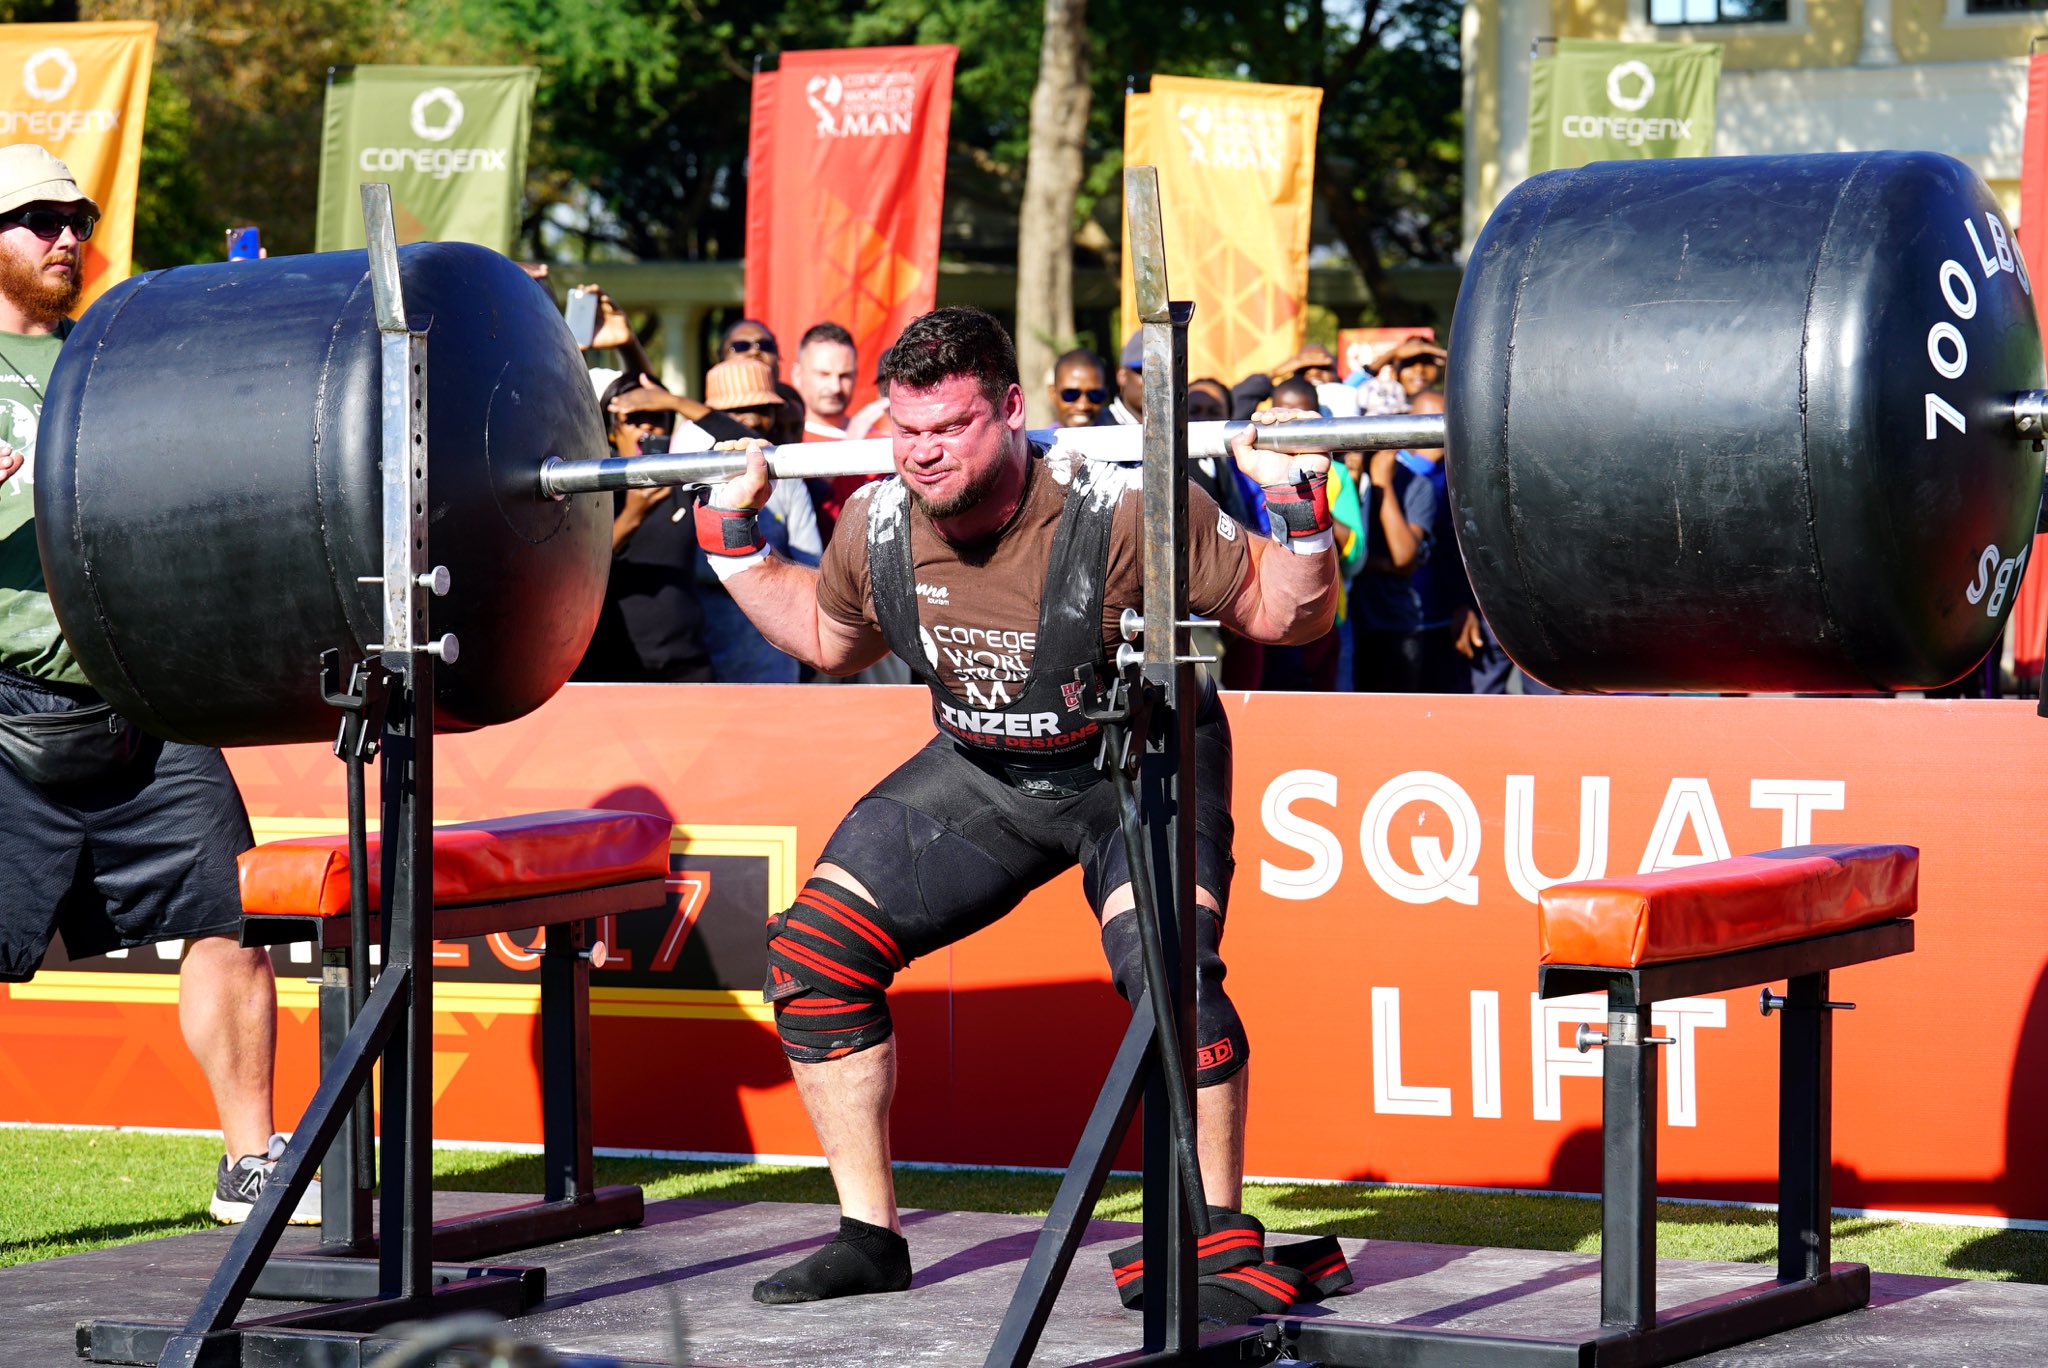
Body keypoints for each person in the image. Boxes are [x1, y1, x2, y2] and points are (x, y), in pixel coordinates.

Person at [692, 306, 1339, 1315]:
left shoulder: (1121, 509)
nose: (923, 453)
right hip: (986, 774)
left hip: (1138, 764)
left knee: (1166, 975)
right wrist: (731, 540)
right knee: (814, 955)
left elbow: (1282, 612)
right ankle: (868, 1236)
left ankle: (1216, 1237)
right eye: (906, 431)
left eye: (949, 428)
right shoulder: (874, 525)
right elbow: (825, 636)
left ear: (1009, 409)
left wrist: (1295, 508)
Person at [0, 145, 316, 1225]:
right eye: (36, 219)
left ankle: (249, 1163)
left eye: (73, 216)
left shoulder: (117, 358)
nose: (64, 237)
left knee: (232, 914)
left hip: (145, 693)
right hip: (4, 707)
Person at [697, 356, 822, 683]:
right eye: (736, 411)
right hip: (700, 664)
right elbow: (694, 566)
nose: (750, 419)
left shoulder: (788, 478)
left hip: (774, 663)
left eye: (762, 409)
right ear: (713, 417)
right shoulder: (692, 472)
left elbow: (812, 567)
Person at [1048, 347, 1111, 428]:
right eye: (1071, 394)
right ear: (1052, 393)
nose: (1083, 406)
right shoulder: (1034, 440)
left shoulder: (1121, 438)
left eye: (1095, 395)